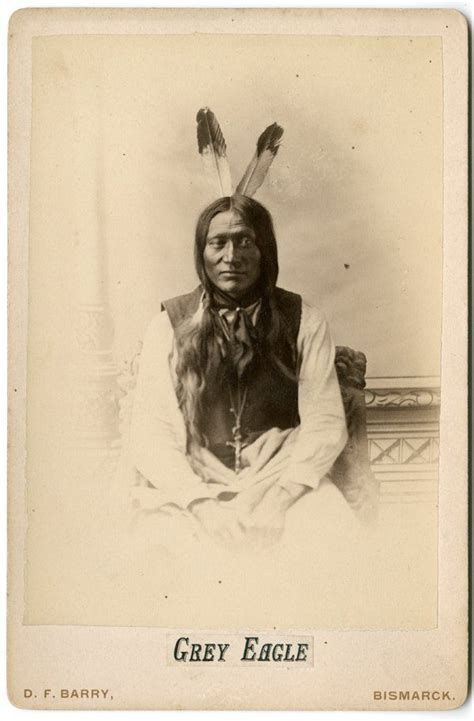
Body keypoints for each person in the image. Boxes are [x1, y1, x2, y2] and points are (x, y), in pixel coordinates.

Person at [128, 193, 356, 552]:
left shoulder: (304, 321)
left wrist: (278, 503)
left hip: (280, 476)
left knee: (330, 535)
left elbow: (325, 423)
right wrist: (201, 505)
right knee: (161, 550)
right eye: (218, 243)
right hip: (196, 477)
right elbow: (152, 431)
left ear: (265, 250)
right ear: (201, 253)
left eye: (245, 242)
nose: (231, 257)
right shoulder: (167, 327)